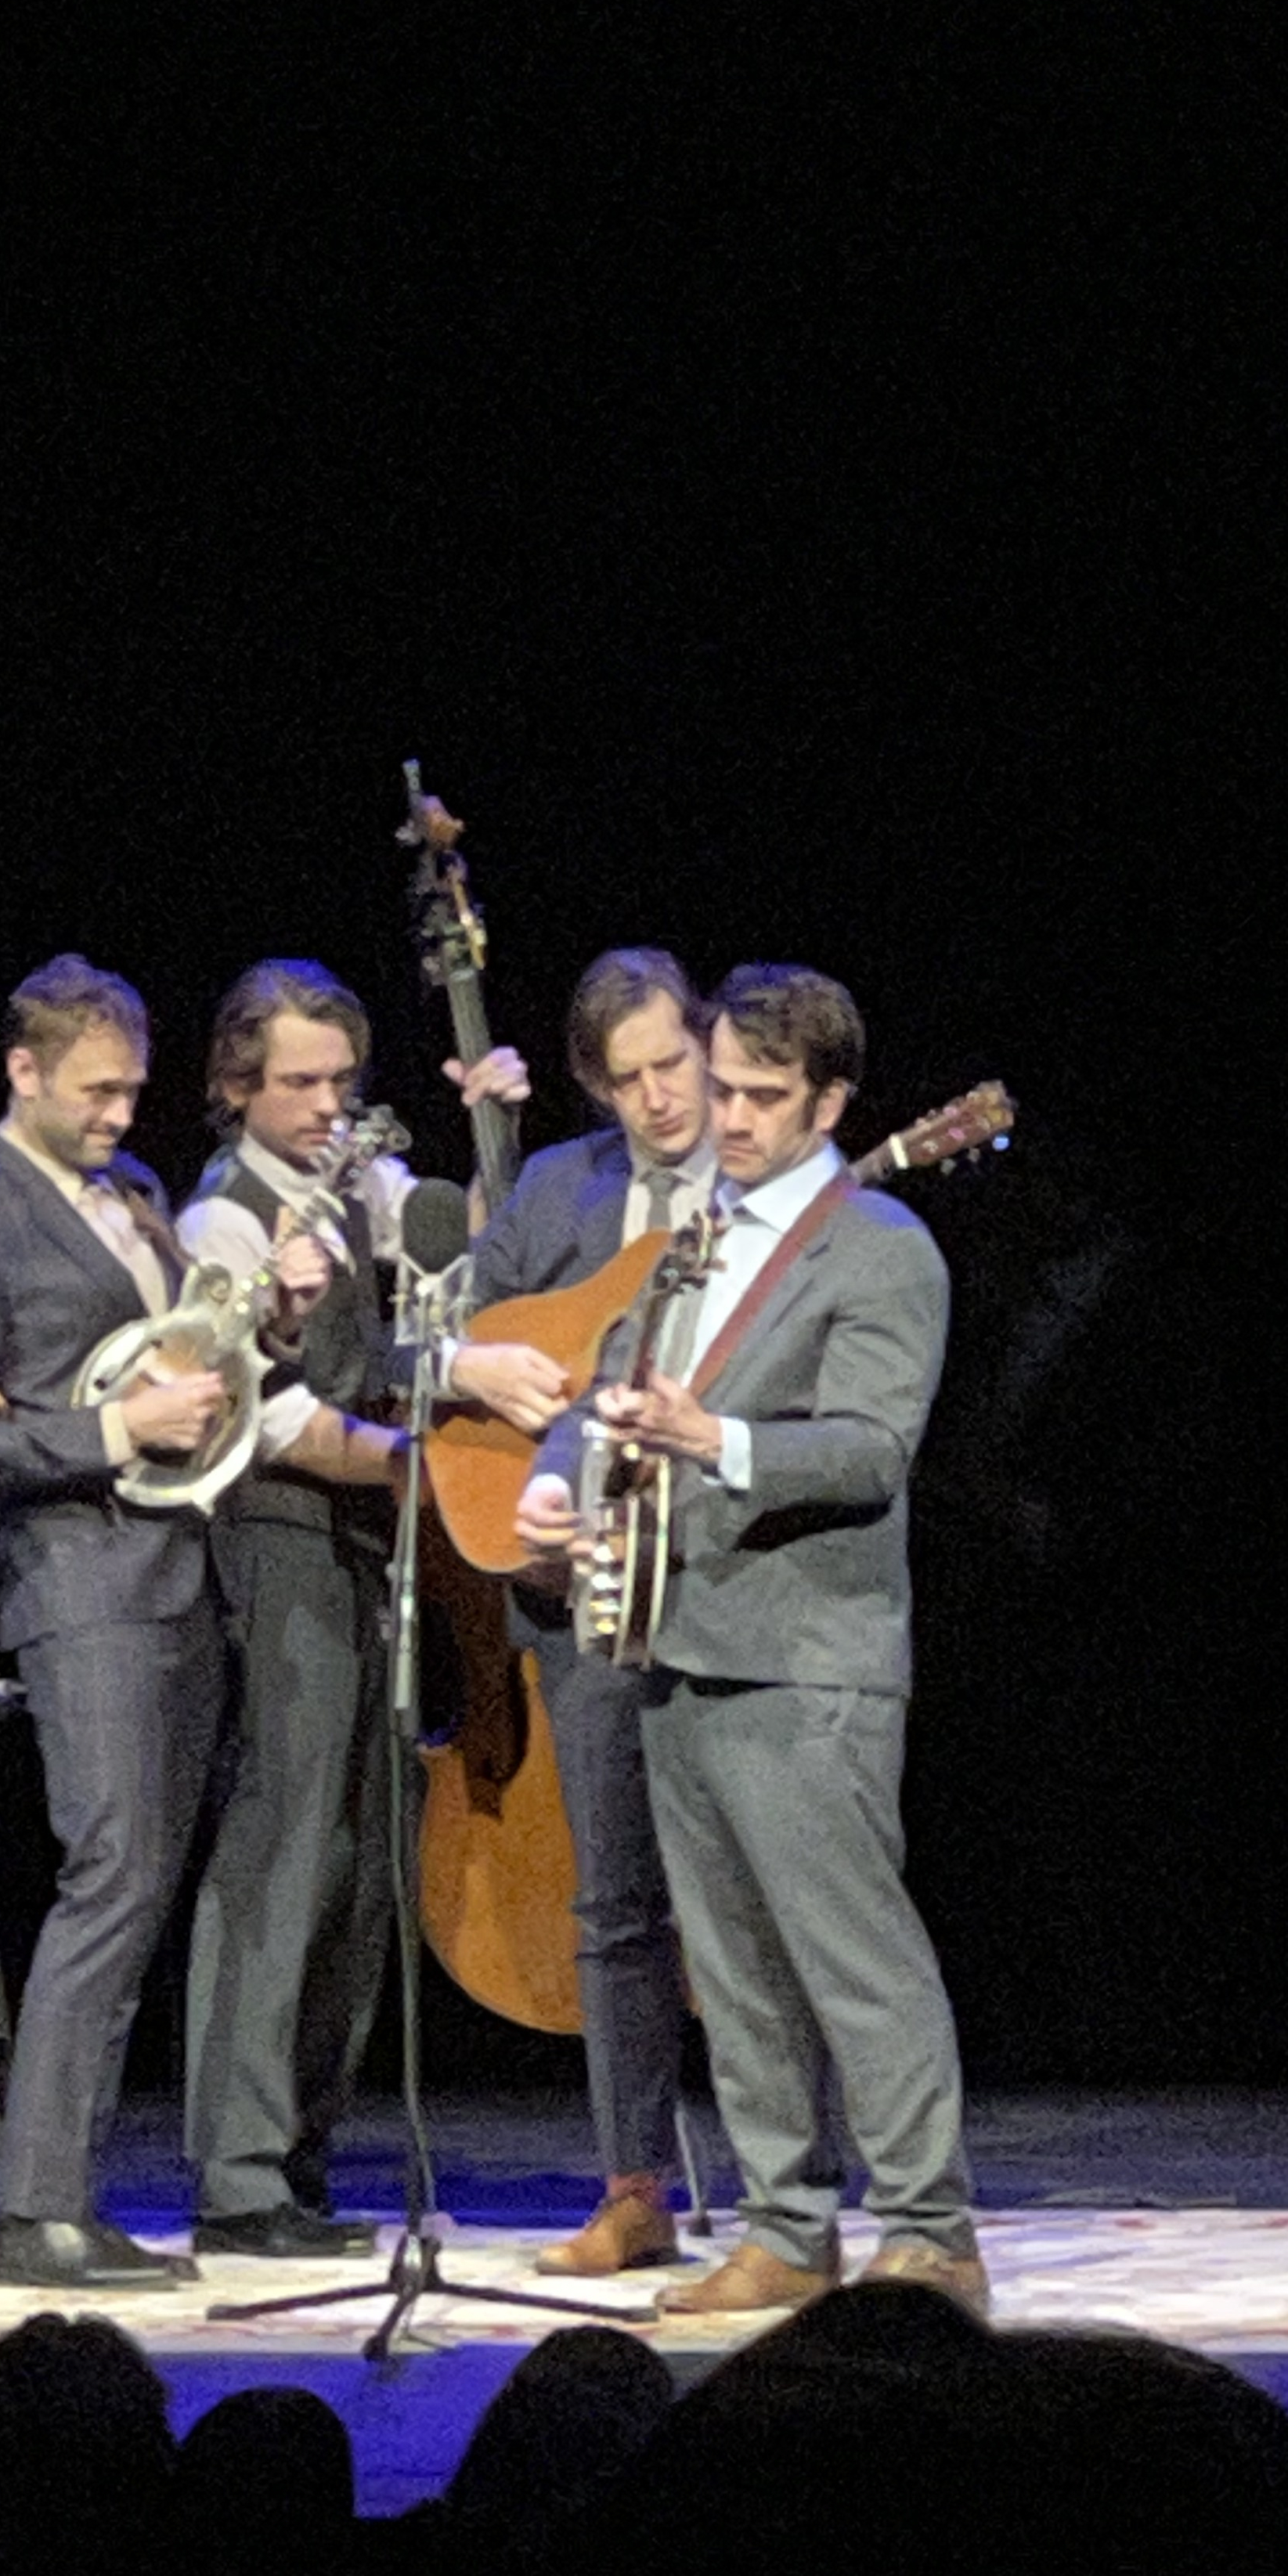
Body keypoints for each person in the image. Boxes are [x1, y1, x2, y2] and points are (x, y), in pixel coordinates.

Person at [0, 958, 402, 2288]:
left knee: (144, 1892)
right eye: (95, 1091)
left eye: (130, 1090)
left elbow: (199, 1356)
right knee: (110, 1880)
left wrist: (277, 1312)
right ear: (23, 1072)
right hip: (81, 1591)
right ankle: (37, 2214)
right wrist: (119, 1429)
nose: (121, 1115)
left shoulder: (129, 1194)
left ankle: (94, 2196)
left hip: (178, 1577)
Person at [518, 967, 985, 2315]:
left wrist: (709, 1437)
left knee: (852, 1959)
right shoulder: (697, 1239)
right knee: (732, 1970)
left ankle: (930, 2231)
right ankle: (786, 2227)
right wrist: (562, 1481)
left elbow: (870, 1449)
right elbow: (609, 1390)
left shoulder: (878, 1245)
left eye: (763, 1097)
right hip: (682, 1645)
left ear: (830, 1104)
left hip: (807, 1656)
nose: (728, 1117)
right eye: (720, 1087)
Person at [179, 958, 537, 2252]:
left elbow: (467, 1267)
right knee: (284, 1852)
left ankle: (304, 2156)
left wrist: (495, 1136)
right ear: (236, 1087)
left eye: (341, 1080)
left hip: (373, 1544)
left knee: (360, 1859)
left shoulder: (360, 1189)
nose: (328, 1105)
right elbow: (269, 1417)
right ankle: (239, 2176)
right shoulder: (220, 1222)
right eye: (298, 1083)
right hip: (279, 1541)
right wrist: (419, 1454)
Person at [457, 947, 722, 2275]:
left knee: (758, 1899)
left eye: (675, 1063)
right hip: (586, 1593)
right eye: (629, 1080)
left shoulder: (766, 1182)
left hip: (727, 1582)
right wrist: (473, 1370)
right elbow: (442, 1345)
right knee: (614, 1901)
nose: (661, 1097)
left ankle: (801, 2191)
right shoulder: (560, 1189)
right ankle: (634, 2190)